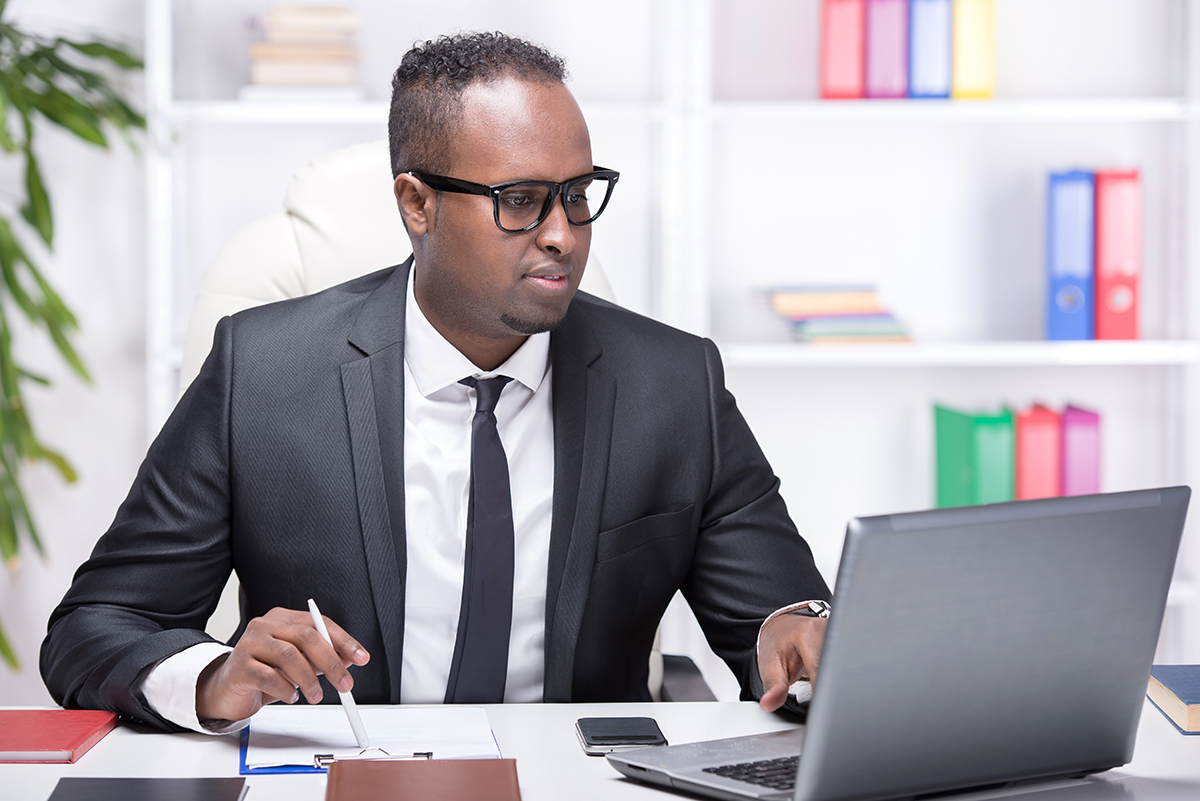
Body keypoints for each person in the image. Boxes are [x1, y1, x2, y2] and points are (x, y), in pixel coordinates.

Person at [41, 32, 830, 734]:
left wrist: (793, 633)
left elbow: (784, 614)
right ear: (416, 203)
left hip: (579, 782)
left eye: (578, 195)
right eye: (520, 201)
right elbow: (96, 626)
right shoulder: (263, 371)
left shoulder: (673, 383)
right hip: (338, 772)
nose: (562, 234)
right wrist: (214, 675)